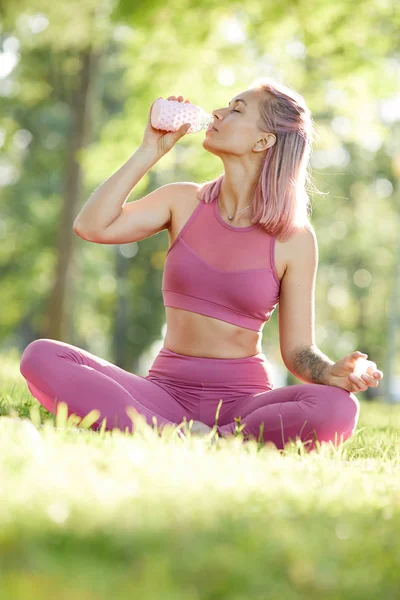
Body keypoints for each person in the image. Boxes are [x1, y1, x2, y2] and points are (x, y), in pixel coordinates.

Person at [20, 78, 383, 451]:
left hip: (242, 404)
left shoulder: (295, 239)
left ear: (264, 141)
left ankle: (186, 436)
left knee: (337, 407)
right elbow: (91, 226)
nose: (218, 113)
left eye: (237, 109)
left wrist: (329, 372)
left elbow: (298, 352)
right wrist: (149, 150)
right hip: (163, 394)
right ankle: (187, 438)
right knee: (43, 356)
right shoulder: (182, 201)